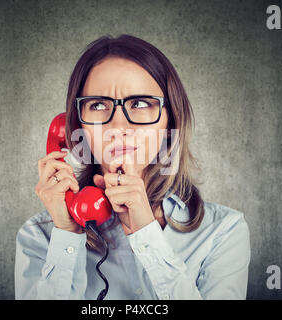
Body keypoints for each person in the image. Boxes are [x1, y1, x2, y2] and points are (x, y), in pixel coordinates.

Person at [14, 34, 251, 300]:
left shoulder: (223, 231)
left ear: (170, 119)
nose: (117, 127)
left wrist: (146, 234)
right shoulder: (39, 236)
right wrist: (67, 234)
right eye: (98, 104)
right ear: (77, 125)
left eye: (139, 104)